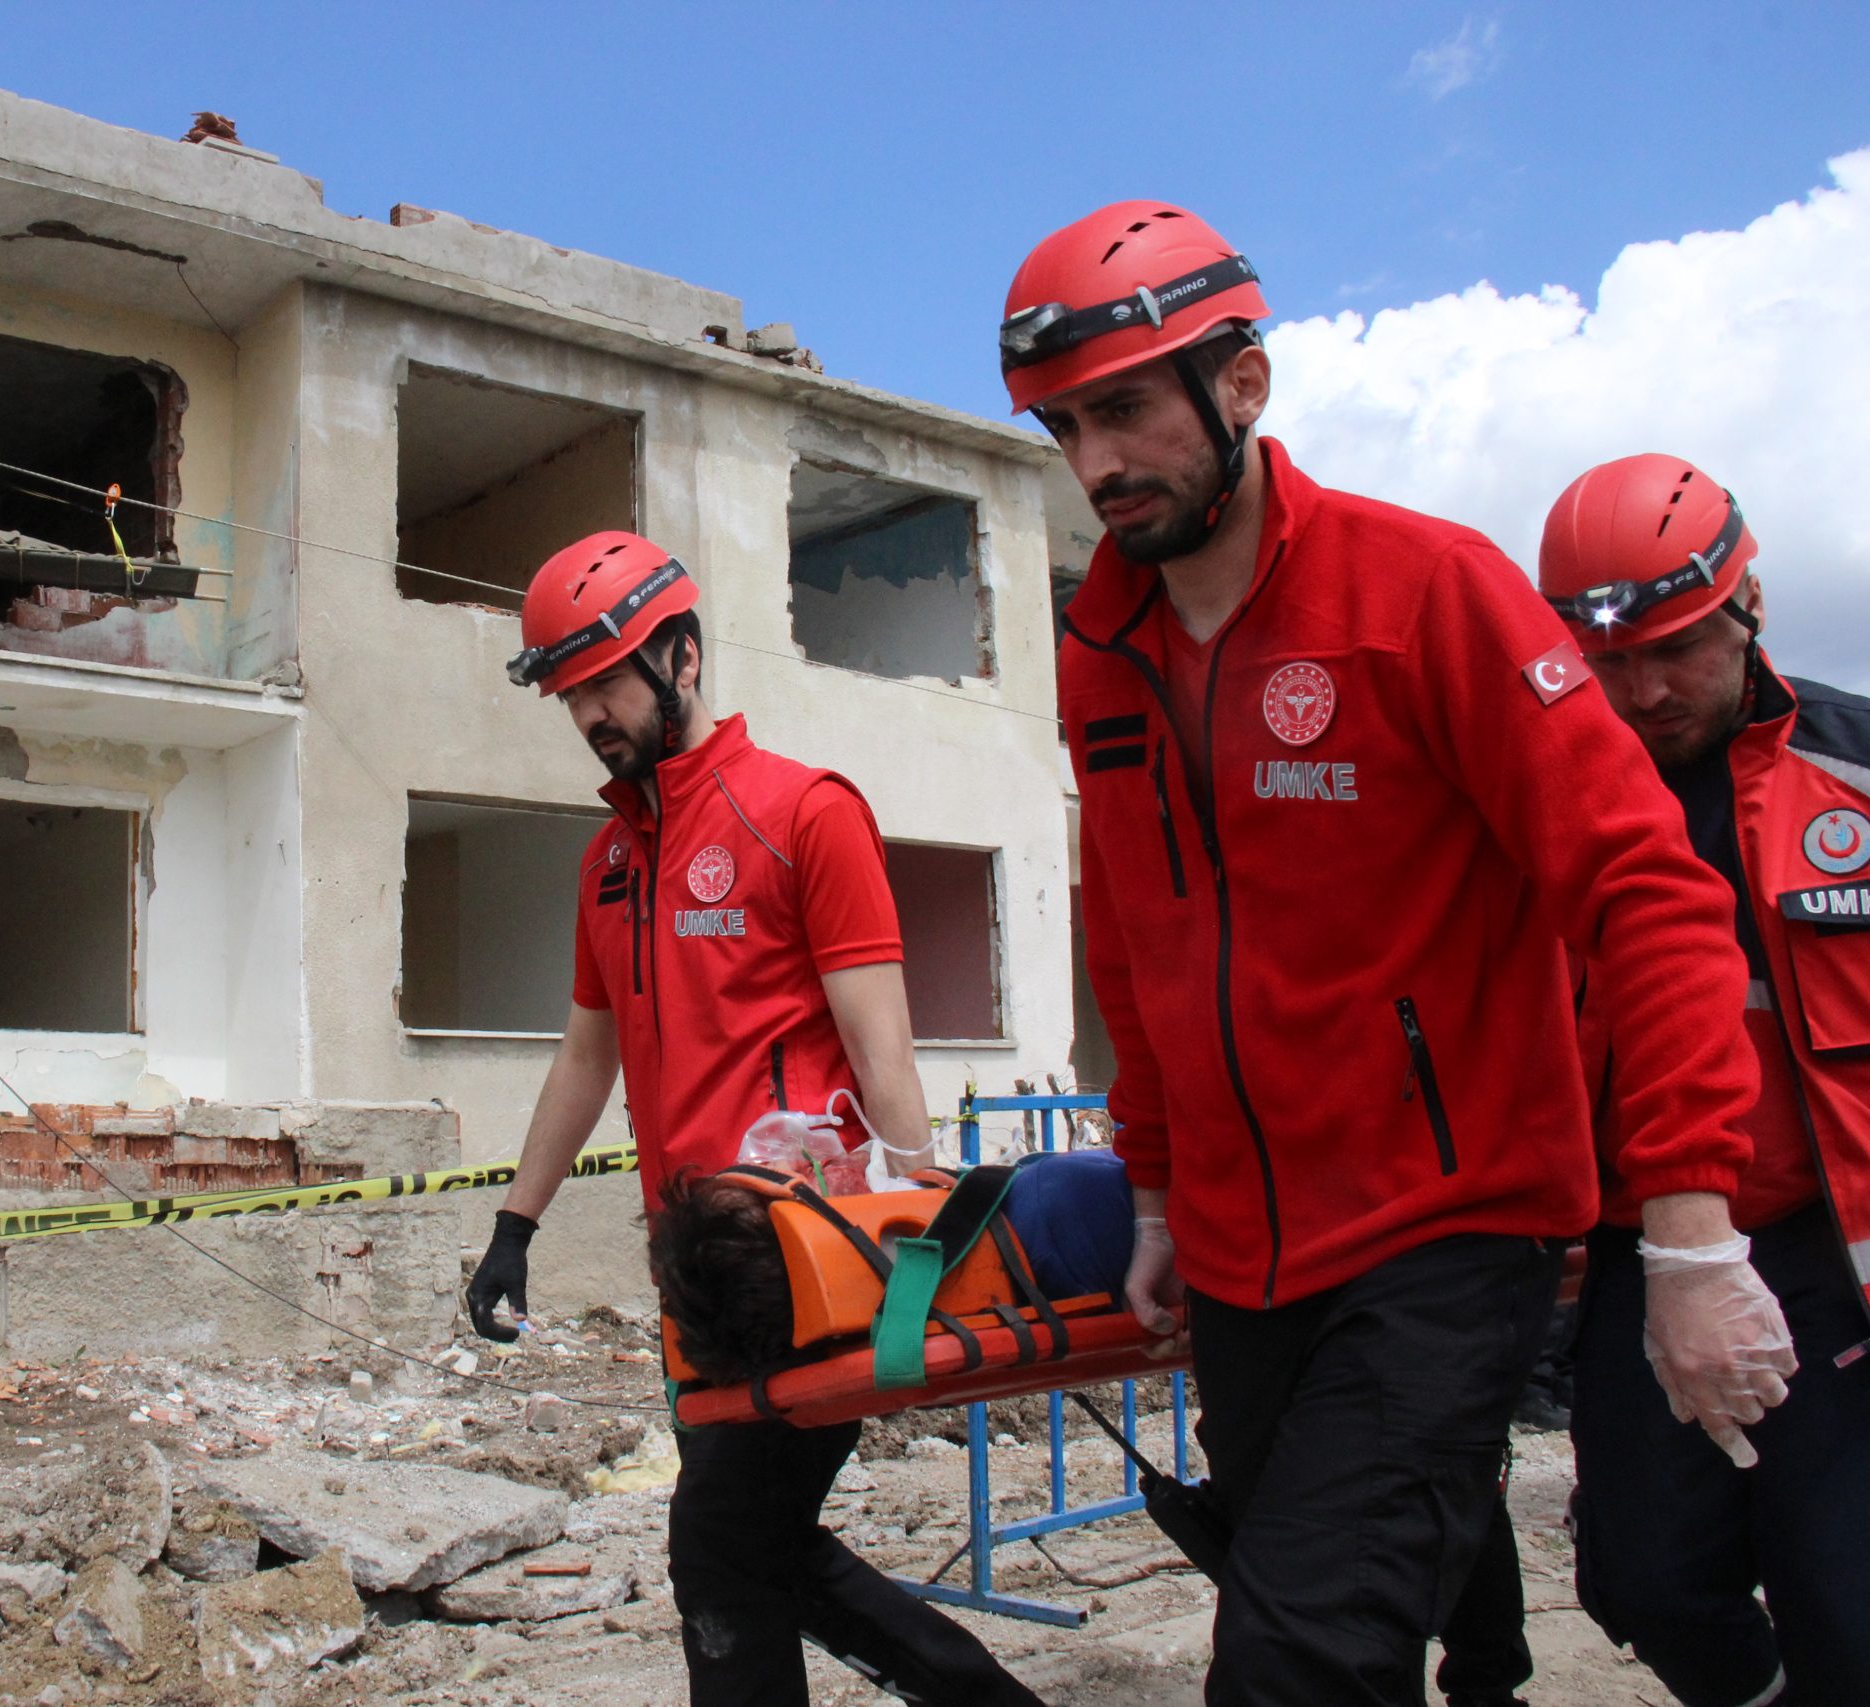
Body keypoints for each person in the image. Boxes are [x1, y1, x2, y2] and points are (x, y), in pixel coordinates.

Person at [1007, 201, 1790, 1706]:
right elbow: (1134, 934)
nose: (1096, 461)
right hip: (1240, 1256)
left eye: (1122, 409)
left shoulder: (1425, 593)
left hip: (1448, 1228)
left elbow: (1651, 890)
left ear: (1241, 383)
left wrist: (1692, 1237)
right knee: (1313, 1582)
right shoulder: (1098, 654)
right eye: (1064, 426)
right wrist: (1157, 1186)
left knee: (1295, 1656)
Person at [466, 530, 1045, 1707]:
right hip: (699, 1281)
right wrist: (514, 1227)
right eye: (569, 694)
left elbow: (885, 1055)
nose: (588, 714)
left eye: (605, 681)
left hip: (812, 1259)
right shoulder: (606, 866)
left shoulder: (804, 813)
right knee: (759, 1546)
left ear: (681, 657)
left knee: (718, 1550)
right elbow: (587, 1057)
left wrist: (921, 1245)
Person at [1536, 455, 1870, 1707]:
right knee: (1646, 1580)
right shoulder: (1541, 807)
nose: (1642, 691)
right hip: (1632, 1259)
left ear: (1752, 607)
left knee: (1844, 1598)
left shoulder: (1856, 772)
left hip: (1831, 1263)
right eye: (1605, 662)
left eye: (1674, 648)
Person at [653, 1148, 1134, 1386]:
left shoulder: (1046, 1245)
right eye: (804, 1176)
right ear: (829, 1237)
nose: (822, 1162)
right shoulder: (1069, 1201)